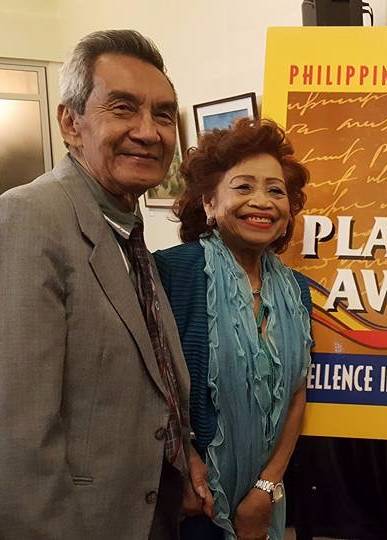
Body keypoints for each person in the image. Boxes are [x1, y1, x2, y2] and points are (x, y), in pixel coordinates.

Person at [0, 29, 212, 538]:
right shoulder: (28, 219)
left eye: (163, 115)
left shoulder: (126, 224)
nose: (149, 131)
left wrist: (181, 457)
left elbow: (146, 370)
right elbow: (17, 438)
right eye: (122, 108)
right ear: (70, 123)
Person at [153, 118, 313, 540]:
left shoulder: (296, 290)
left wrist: (266, 487)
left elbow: (298, 391)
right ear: (209, 202)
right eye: (243, 187)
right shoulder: (173, 272)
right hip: (192, 496)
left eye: (275, 191)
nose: (262, 201)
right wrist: (184, 461)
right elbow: (148, 386)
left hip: (265, 497)